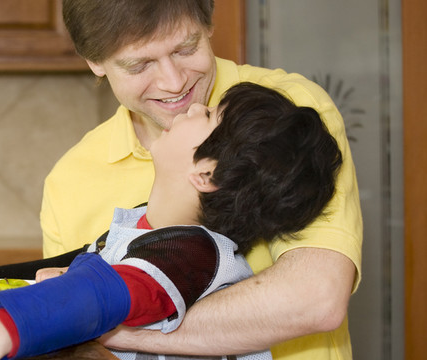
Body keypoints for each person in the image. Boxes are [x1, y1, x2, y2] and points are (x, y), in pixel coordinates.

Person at [0, 82, 343, 360]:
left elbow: (106, 293)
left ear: (206, 174)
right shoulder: (150, 230)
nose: (191, 109)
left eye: (208, 116)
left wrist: (3, 329)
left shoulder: (193, 254)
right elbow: (73, 266)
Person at [38, 1, 362, 359]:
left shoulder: (286, 115)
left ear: (208, 25)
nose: (174, 82)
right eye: (139, 64)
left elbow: (314, 300)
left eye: (185, 48)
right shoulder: (69, 181)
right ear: (94, 61)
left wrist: (105, 322)